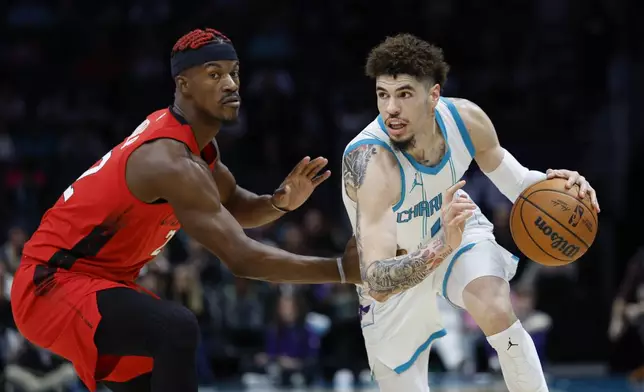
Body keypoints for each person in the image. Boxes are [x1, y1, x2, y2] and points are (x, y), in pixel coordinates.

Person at [11, 28, 370, 392]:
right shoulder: (169, 161)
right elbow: (242, 259)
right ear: (184, 84)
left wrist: (278, 203)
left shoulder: (195, 146)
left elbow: (232, 206)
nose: (231, 84)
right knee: (175, 328)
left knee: (154, 370)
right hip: (50, 284)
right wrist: (342, 269)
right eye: (215, 74)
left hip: (100, 283)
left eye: (235, 72)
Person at [341, 33, 600, 392]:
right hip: (395, 264)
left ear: (434, 95)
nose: (391, 109)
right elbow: (377, 280)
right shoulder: (371, 164)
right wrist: (440, 248)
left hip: (456, 224)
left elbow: (521, 185)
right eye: (383, 95)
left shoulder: (467, 121)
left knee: (495, 307)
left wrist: (561, 188)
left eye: (404, 94)